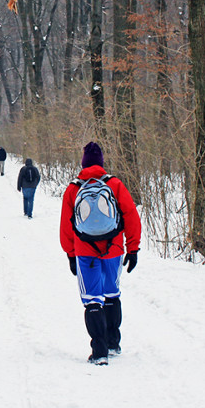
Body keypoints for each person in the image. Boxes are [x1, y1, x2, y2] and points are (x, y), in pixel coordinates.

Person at [59, 142, 140, 366]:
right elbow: (131, 215)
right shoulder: (114, 184)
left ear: (83, 163)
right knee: (112, 294)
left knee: (92, 299)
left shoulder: (74, 189)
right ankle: (114, 342)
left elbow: (66, 225)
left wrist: (70, 253)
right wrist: (133, 248)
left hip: (86, 253)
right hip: (114, 249)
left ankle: (100, 351)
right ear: (102, 162)